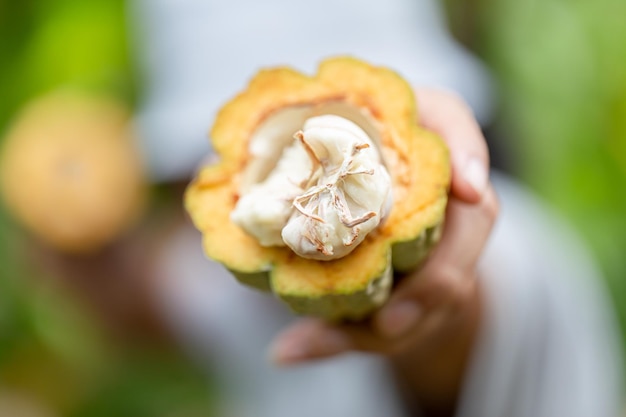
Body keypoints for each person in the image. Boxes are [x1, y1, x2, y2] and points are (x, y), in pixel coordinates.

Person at [129, 0, 624, 416]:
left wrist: (412, 286)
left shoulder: (518, 251)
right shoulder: (227, 291)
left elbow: (465, 309)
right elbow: (147, 305)